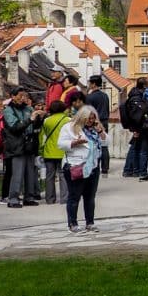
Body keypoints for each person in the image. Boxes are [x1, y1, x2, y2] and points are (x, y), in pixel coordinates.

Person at [57, 104, 108, 232]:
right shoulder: (69, 127)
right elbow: (60, 144)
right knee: (74, 196)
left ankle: (90, 222)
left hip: (93, 166)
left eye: (93, 118)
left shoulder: (95, 129)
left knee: (90, 197)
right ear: (82, 117)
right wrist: (75, 143)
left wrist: (100, 131)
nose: (91, 121)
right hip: (77, 165)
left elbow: (106, 142)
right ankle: (72, 224)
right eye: (89, 119)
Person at [3, 90, 43, 208]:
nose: (23, 98)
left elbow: (34, 126)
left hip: (29, 144)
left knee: (30, 172)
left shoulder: (28, 109)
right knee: (17, 173)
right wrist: (30, 119)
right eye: (20, 96)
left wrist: (39, 119)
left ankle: (29, 197)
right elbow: (15, 127)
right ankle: (13, 198)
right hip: (17, 145)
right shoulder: (8, 110)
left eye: (24, 96)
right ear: (13, 96)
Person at [39, 100, 71, 205]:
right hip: (63, 152)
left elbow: (42, 137)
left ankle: (50, 199)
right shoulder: (68, 120)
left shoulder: (46, 121)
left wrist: (41, 150)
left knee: (49, 176)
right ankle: (64, 198)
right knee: (63, 175)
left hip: (49, 152)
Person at [84, 76, 111, 177]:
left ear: (93, 84)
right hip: (104, 121)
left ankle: (95, 165)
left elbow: (86, 110)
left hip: (94, 122)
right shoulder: (105, 95)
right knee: (104, 144)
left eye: (89, 83)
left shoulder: (90, 97)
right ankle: (105, 168)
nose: (88, 85)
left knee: (93, 144)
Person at [121, 77, 148, 177]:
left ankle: (131, 170)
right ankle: (129, 170)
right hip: (138, 127)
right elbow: (136, 115)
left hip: (136, 126)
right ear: (144, 85)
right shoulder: (137, 98)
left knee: (135, 148)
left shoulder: (134, 95)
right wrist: (136, 129)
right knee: (135, 148)